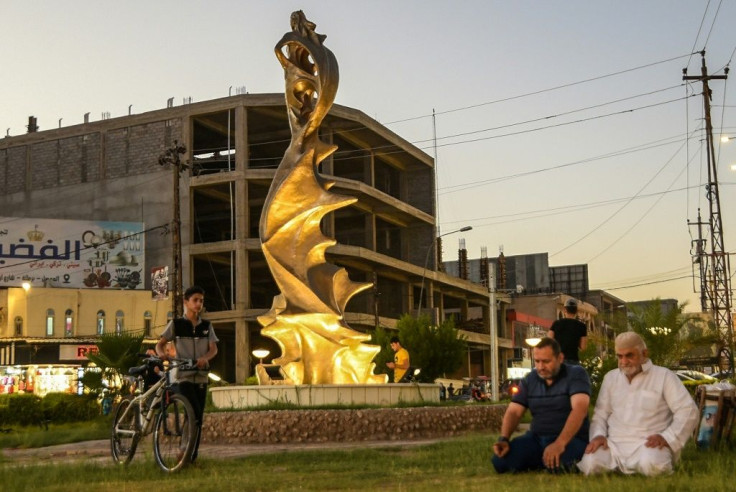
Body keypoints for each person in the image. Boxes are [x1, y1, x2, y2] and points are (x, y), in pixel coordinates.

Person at [577, 332, 699, 476]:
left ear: (644, 353)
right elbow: (601, 414)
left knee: (654, 467)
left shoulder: (664, 376)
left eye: (629, 355)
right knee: (590, 464)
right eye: (619, 356)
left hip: (648, 445)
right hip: (613, 445)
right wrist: (598, 435)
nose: (624, 361)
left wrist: (668, 437)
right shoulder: (610, 378)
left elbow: (688, 410)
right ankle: (617, 465)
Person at [492, 337, 590, 473]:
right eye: (537, 361)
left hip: (571, 440)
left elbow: (580, 409)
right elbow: (514, 411)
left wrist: (560, 443)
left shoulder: (576, 374)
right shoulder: (530, 379)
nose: (540, 367)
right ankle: (542, 460)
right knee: (501, 462)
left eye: (546, 361)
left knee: (561, 467)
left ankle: (548, 462)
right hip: (537, 439)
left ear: (560, 358)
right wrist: (504, 439)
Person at [156, 285, 219, 463]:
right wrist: (162, 353)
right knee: (193, 411)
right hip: (182, 376)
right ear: (186, 302)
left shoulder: (207, 326)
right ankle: (185, 452)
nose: (199, 304)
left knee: (197, 418)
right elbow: (160, 344)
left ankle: (190, 456)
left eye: (201, 301)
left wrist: (205, 358)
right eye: (195, 300)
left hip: (200, 376)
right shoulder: (176, 324)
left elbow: (214, 349)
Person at [548, 298, 587, 364]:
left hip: (558, 360)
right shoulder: (582, 326)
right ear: (576, 311)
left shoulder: (556, 324)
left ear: (565, 310)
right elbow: (583, 347)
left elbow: (549, 341)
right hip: (573, 360)